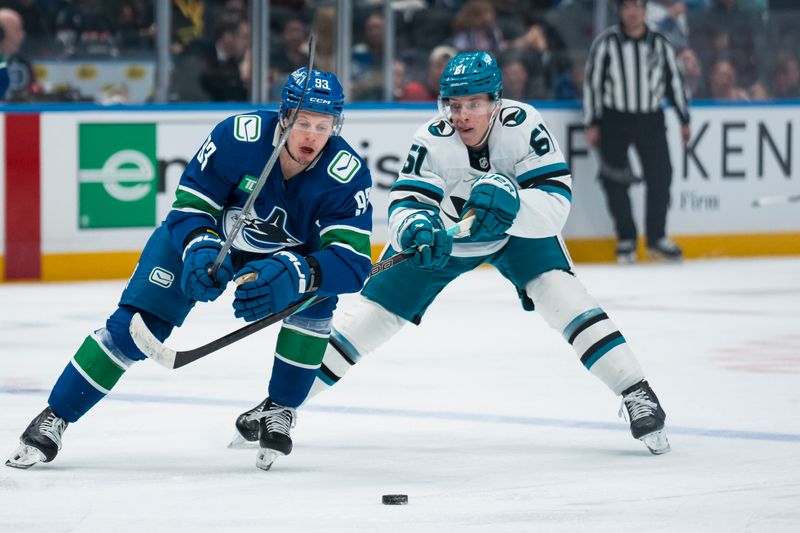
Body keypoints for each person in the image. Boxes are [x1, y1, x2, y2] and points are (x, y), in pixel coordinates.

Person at [236, 51, 672, 456]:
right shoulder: (432, 137)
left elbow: (555, 204)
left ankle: (635, 391)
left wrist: (512, 202)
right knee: (366, 321)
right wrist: (419, 229)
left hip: (517, 232)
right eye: (453, 104)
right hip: (445, 235)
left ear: (496, 102)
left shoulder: (523, 125)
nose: (461, 115)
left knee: (562, 295)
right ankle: (282, 404)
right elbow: (405, 203)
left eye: (474, 104)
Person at [6, 68, 374, 471]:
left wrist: (297, 273)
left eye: (324, 125)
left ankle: (280, 409)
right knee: (134, 327)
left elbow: (353, 262)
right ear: (284, 116)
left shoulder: (346, 172)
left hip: (278, 256)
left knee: (316, 302)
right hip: (208, 238)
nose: (311, 136)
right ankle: (55, 415)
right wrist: (199, 247)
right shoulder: (239, 136)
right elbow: (190, 206)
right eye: (302, 122)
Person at [584, 0, 691, 263]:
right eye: (627, 6)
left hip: (651, 118)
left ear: (644, 10)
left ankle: (656, 238)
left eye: (637, 6)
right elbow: (593, 84)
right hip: (614, 119)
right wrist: (592, 122)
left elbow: (674, 81)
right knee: (614, 179)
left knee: (661, 176)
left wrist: (684, 119)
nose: (632, 11)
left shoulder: (661, 43)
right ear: (620, 11)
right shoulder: (606, 43)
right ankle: (627, 238)